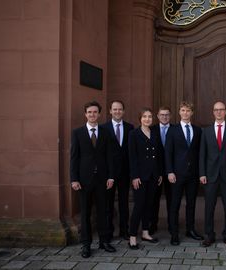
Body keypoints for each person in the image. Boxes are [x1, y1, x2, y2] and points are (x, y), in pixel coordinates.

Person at [70, 101, 117, 258]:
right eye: (89, 112)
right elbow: (74, 158)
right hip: (84, 180)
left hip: (102, 180)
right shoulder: (77, 133)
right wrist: (74, 179)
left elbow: (110, 156)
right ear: (85, 114)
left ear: (99, 114)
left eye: (95, 112)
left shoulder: (105, 132)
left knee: (103, 211)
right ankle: (86, 244)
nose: (92, 115)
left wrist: (111, 176)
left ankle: (104, 241)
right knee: (85, 213)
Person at [199, 101, 226, 248]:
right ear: (213, 112)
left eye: (221, 109)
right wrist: (202, 173)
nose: (218, 112)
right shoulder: (206, 131)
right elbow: (202, 154)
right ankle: (209, 235)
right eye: (216, 110)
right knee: (209, 207)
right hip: (210, 176)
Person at [165, 101, 204, 245]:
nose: (185, 113)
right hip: (176, 174)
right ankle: (174, 233)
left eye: (188, 110)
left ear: (192, 113)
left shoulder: (198, 130)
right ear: (179, 112)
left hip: (193, 174)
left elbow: (200, 153)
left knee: (191, 203)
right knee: (174, 204)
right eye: (183, 110)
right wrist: (169, 171)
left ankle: (190, 229)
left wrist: (201, 173)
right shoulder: (173, 130)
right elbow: (168, 153)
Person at [127, 108, 163, 249]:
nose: (147, 119)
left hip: (153, 176)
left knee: (149, 205)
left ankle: (146, 232)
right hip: (140, 177)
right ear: (140, 118)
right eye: (144, 116)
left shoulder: (155, 133)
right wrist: (134, 176)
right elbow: (132, 157)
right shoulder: (133, 134)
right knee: (139, 206)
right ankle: (132, 236)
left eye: (149, 116)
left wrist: (159, 173)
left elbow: (159, 155)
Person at [101, 100, 134, 241]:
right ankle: (108, 231)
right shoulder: (103, 128)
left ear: (124, 111)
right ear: (110, 111)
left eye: (120, 109)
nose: (117, 112)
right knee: (108, 203)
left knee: (124, 203)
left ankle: (124, 230)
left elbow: (132, 151)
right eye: (114, 109)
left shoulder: (130, 127)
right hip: (109, 173)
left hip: (125, 172)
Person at [150, 106, 172, 235]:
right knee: (154, 199)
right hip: (155, 171)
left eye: (167, 114)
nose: (164, 117)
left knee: (172, 199)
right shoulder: (151, 130)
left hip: (171, 171)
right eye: (162, 114)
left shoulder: (175, 129)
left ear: (170, 116)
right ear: (157, 116)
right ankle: (153, 224)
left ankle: (171, 224)